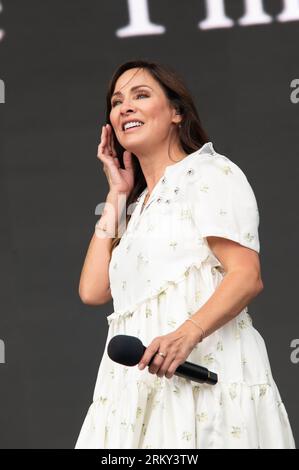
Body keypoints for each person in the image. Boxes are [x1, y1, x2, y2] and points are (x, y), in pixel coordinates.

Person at [74, 60, 296, 449]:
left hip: (203, 382)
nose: (125, 107)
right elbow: (93, 290)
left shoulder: (210, 172)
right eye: (117, 101)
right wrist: (117, 194)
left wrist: (186, 335)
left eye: (141, 95)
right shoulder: (136, 206)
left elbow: (246, 274)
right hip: (135, 391)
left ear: (177, 112)